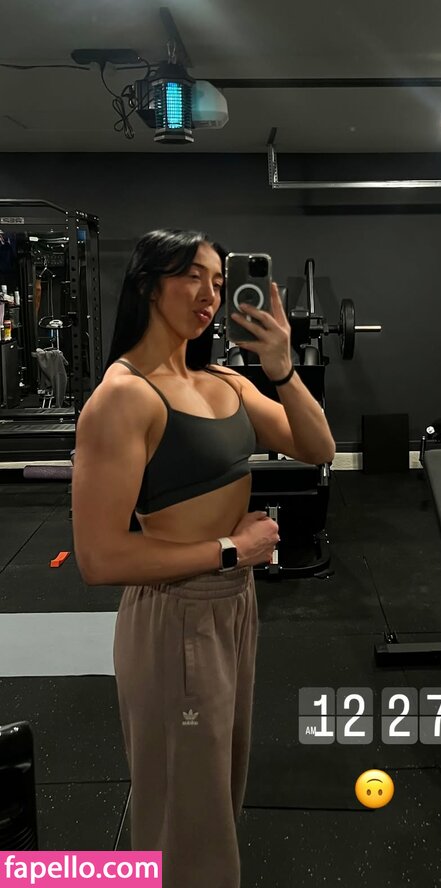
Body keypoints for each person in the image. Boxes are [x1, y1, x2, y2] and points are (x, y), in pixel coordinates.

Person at [72, 228, 336, 888]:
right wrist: (231, 549)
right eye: (192, 275)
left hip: (233, 605)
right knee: (186, 818)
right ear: (146, 284)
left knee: (216, 794)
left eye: (218, 281)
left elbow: (319, 448)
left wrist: (282, 367)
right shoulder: (124, 397)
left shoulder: (223, 381)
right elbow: (99, 558)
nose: (210, 294)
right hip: (177, 616)